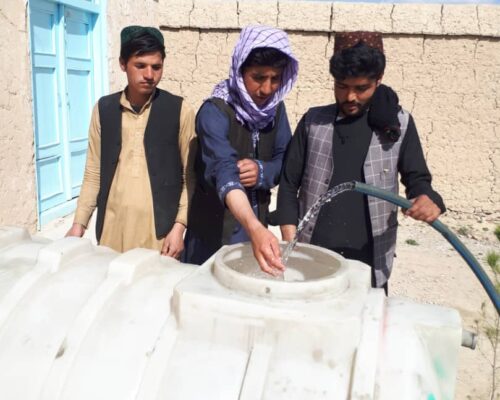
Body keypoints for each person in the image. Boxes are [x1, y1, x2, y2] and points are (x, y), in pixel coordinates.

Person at [275, 32, 446, 291]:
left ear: (378, 81)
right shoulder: (313, 121)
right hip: (312, 255)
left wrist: (427, 199)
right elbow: (288, 184)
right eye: (342, 86)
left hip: (370, 258)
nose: (350, 97)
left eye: (361, 88)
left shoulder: (397, 124)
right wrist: (291, 244)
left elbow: (418, 179)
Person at [66, 25, 196, 258]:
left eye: (156, 67)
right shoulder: (104, 109)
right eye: (140, 66)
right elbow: (94, 171)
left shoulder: (179, 110)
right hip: (111, 232)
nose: (149, 74)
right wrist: (79, 225)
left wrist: (179, 227)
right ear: (122, 64)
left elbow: (190, 176)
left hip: (159, 237)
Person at [183, 25, 299, 275]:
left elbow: (285, 161)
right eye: (258, 77)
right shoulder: (214, 111)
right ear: (239, 70)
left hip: (256, 230)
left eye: (275, 79)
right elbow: (224, 169)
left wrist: (263, 171)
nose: (267, 89)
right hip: (213, 234)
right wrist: (254, 227)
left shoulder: (276, 110)